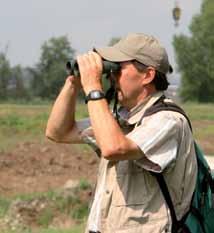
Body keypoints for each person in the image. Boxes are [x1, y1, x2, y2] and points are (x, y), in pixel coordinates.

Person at [46, 33, 197, 233]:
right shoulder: (121, 119)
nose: (110, 76)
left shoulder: (168, 121)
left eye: (118, 69)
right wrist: (74, 82)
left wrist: (93, 87)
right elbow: (58, 132)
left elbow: (114, 148)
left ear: (148, 75)